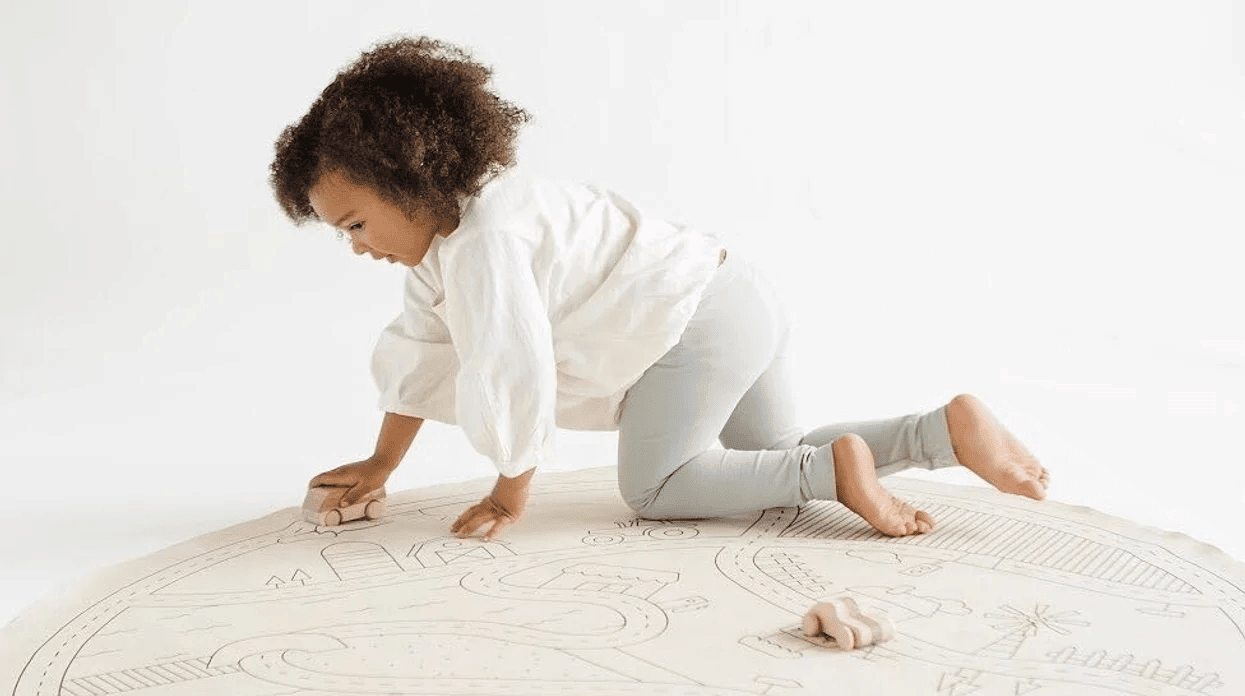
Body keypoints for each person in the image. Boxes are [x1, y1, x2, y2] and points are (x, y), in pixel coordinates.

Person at [268, 36, 1050, 541]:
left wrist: (510, 495)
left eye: (355, 224)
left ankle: (832, 474)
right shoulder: (470, 227)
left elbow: (513, 370)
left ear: (407, 182)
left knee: (656, 486)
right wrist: (381, 462)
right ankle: (939, 431)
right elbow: (421, 351)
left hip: (692, 329)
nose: (356, 248)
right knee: (762, 460)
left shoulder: (482, 247)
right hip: (734, 296)